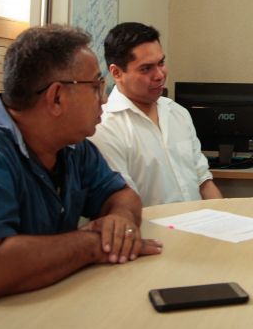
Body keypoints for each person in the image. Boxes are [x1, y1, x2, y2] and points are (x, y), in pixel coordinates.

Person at [0, 25, 162, 315]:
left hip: (36, 304)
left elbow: (121, 194)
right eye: (95, 87)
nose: (103, 99)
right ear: (57, 97)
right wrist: (93, 244)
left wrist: (119, 219)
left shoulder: (72, 145)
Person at [89, 22, 222, 207]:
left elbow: (204, 182)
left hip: (198, 225)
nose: (159, 75)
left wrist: (225, 218)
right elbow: (121, 204)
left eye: (161, 63)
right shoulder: (105, 127)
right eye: (146, 68)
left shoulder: (177, 113)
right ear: (117, 72)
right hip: (149, 232)